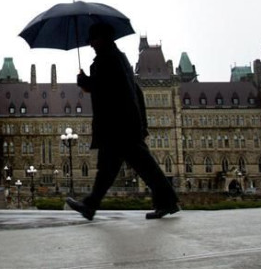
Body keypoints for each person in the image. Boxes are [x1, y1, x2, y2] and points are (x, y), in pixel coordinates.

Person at [66, 23, 180, 220]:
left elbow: (106, 90)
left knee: (137, 167)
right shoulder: (119, 58)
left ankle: (167, 201)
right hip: (125, 124)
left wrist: (85, 82)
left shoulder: (107, 60)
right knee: (112, 169)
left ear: (102, 39)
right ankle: (91, 205)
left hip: (118, 126)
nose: (91, 44)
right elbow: (132, 91)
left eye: (93, 40)